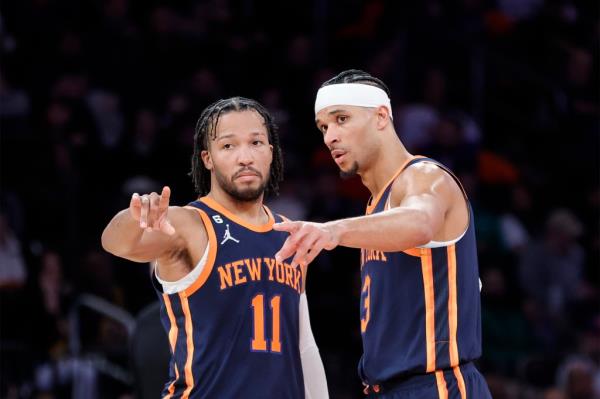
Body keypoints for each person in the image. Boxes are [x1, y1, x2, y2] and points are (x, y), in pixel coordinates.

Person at [273, 70, 491, 398]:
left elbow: (420, 223)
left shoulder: (424, 177)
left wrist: (333, 231)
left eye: (341, 119)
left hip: (436, 385)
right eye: (323, 127)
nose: (329, 136)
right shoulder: (376, 204)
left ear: (381, 116)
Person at [102, 97, 328, 399]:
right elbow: (114, 243)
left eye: (256, 143)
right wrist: (136, 216)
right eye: (228, 146)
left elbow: (303, 345)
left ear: (271, 153)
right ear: (207, 158)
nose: (245, 157)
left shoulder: (291, 233)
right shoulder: (190, 223)